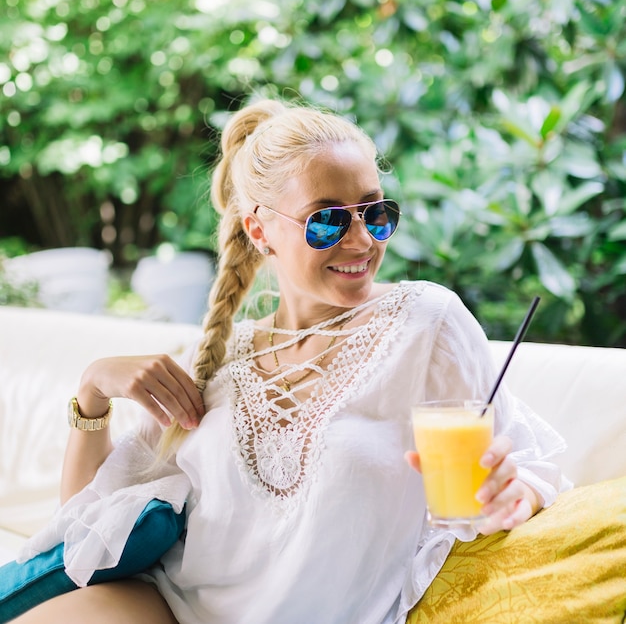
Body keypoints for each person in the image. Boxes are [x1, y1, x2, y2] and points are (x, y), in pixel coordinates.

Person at [11, 98, 567, 624]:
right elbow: (84, 527)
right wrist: (92, 392)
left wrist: (512, 495)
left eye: (376, 213)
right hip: (165, 606)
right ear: (259, 230)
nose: (361, 241)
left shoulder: (427, 323)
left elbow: (525, 465)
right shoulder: (214, 361)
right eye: (327, 220)